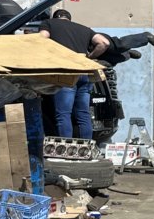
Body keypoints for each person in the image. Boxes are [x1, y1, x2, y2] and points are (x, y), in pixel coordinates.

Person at [39, 10, 107, 140]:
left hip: (66, 73)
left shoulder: (49, 23)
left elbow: (42, 38)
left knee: (63, 114)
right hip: (84, 72)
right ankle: (86, 147)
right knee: (83, 114)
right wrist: (89, 58)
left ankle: (66, 147)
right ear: (69, 19)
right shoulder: (85, 29)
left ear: (55, 17)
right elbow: (104, 43)